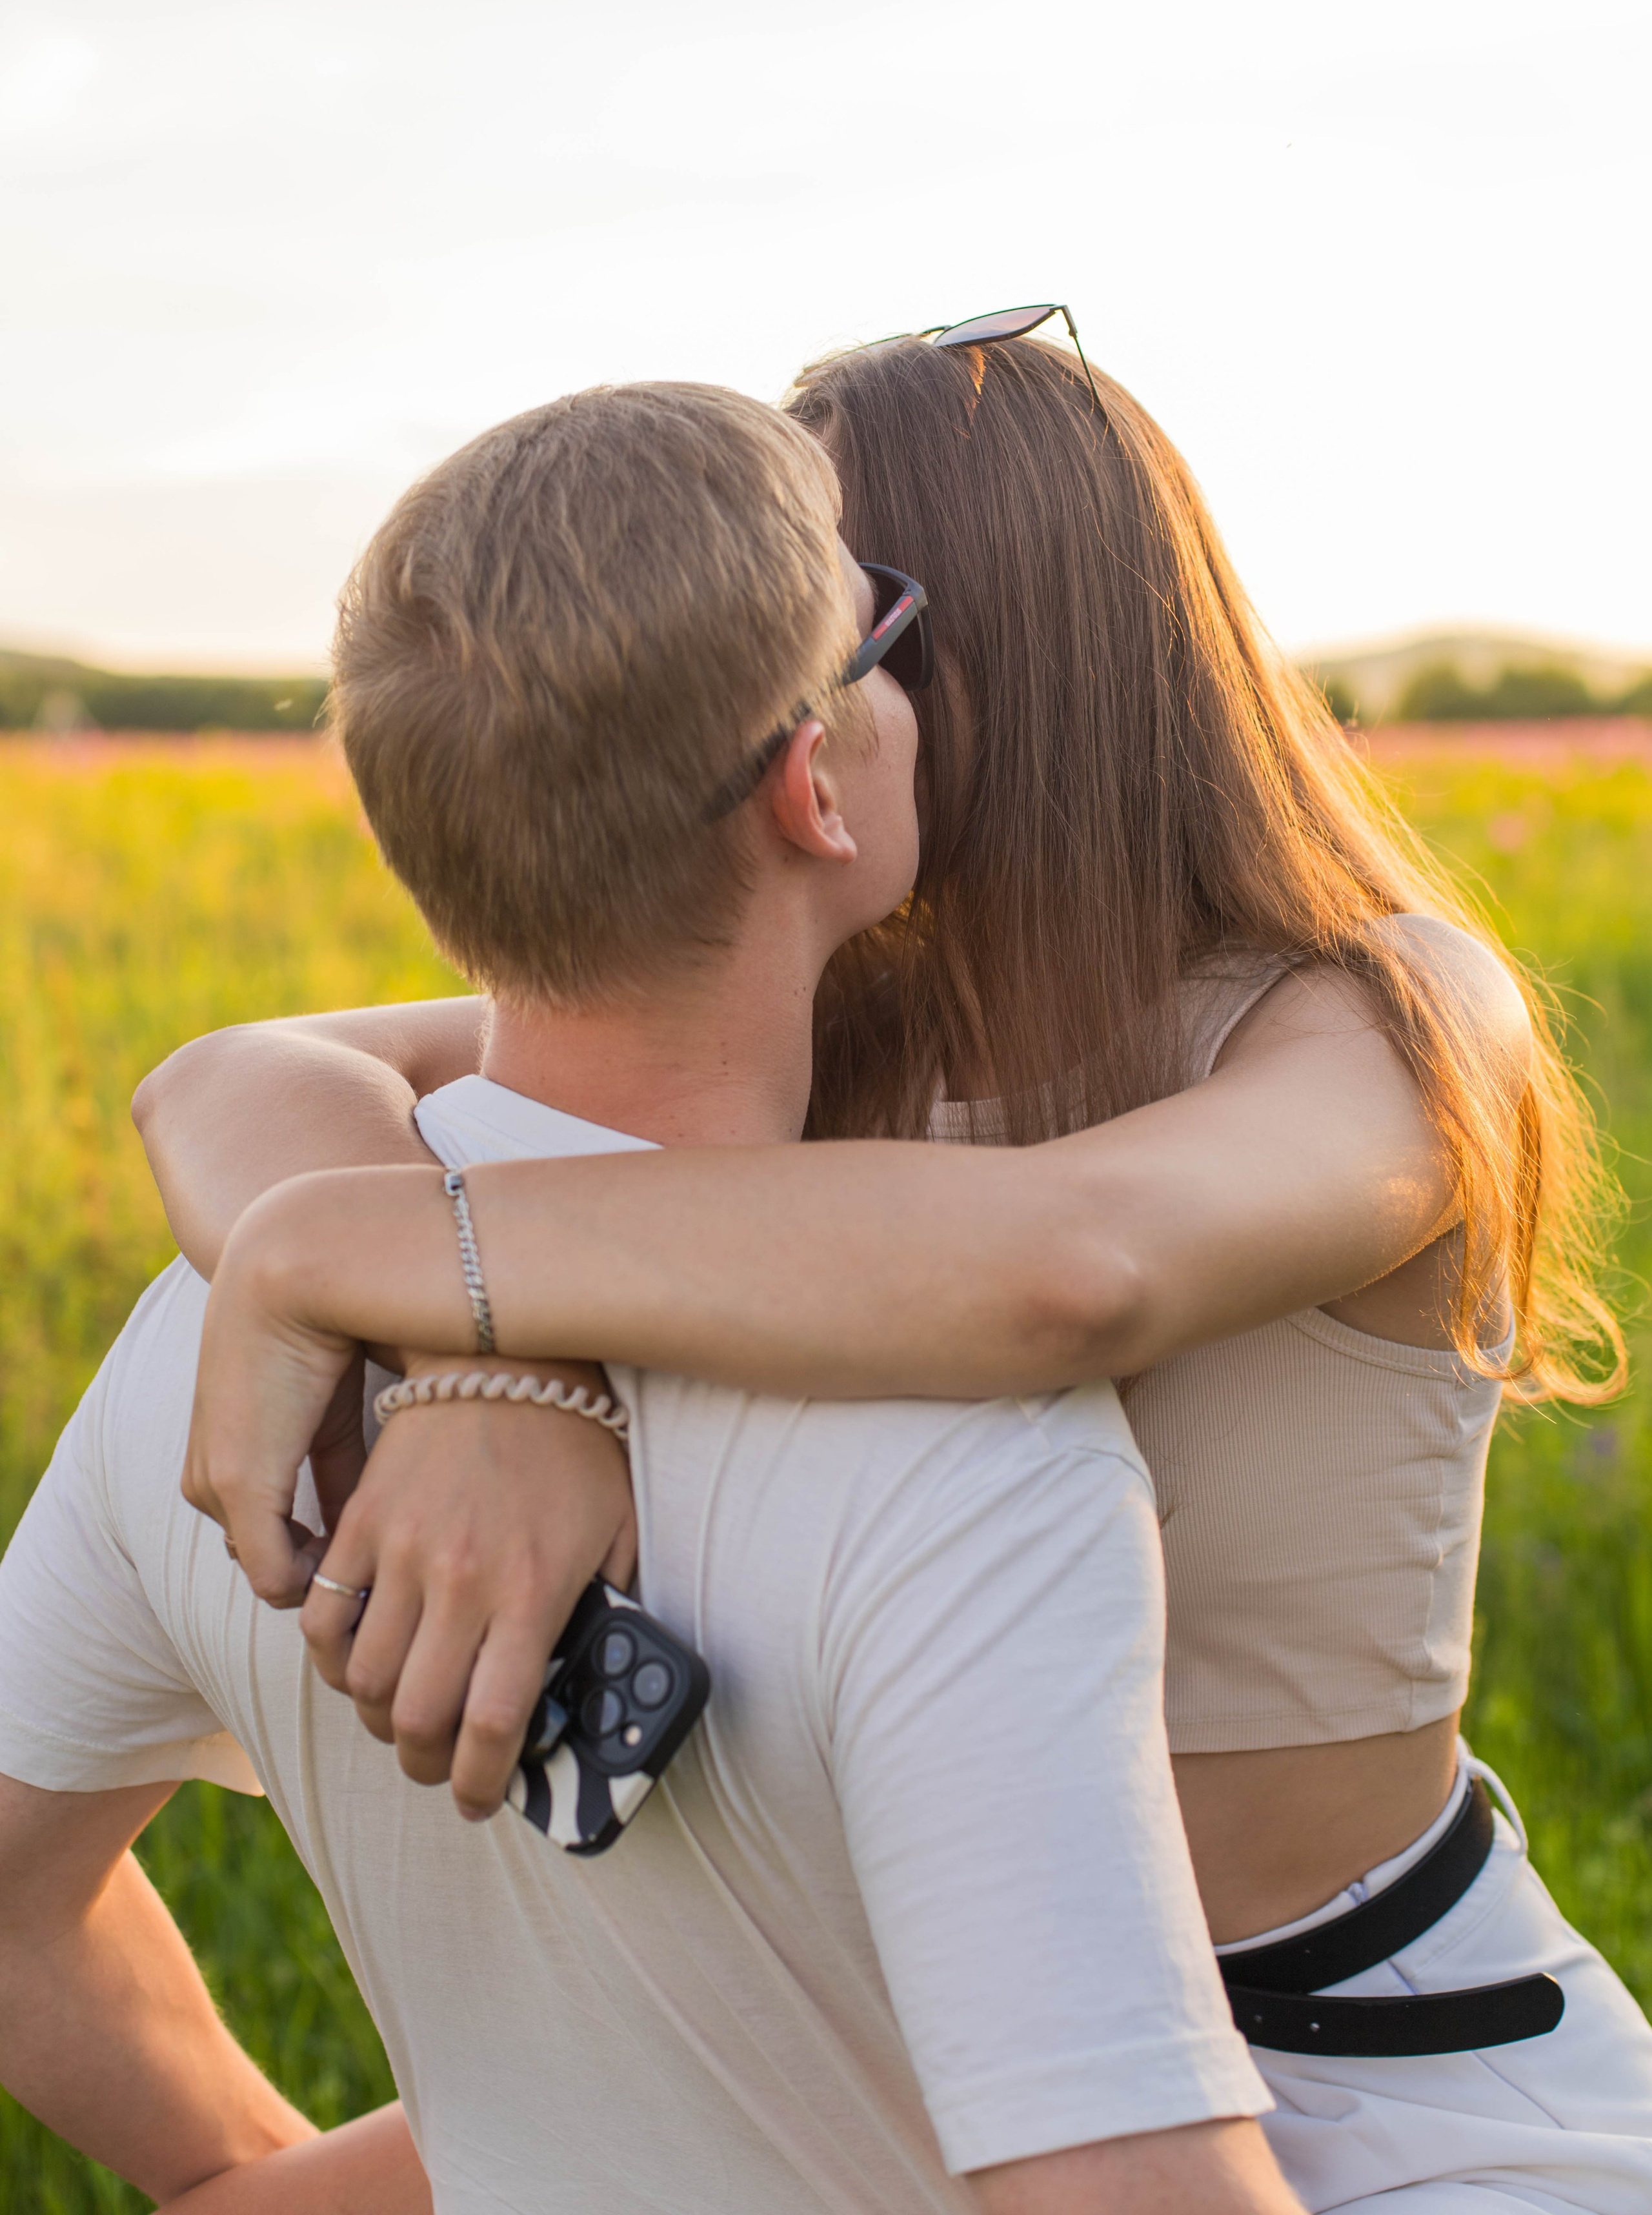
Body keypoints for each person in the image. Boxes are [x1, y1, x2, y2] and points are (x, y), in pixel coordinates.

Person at [159, 318, 1652, 2212]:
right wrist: (481, 1367)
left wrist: (382, 1267)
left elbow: (1076, 1271)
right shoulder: (834, 1010)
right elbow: (236, 1078)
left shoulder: (1384, 1008)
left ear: (956, 656)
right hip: (883, 2041)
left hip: (1374, 2067)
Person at [0, 379, 1294, 2215]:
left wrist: (240, 2181)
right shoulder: (961, 1457)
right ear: (811, 785)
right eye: (883, 637)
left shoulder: (204, 1352)